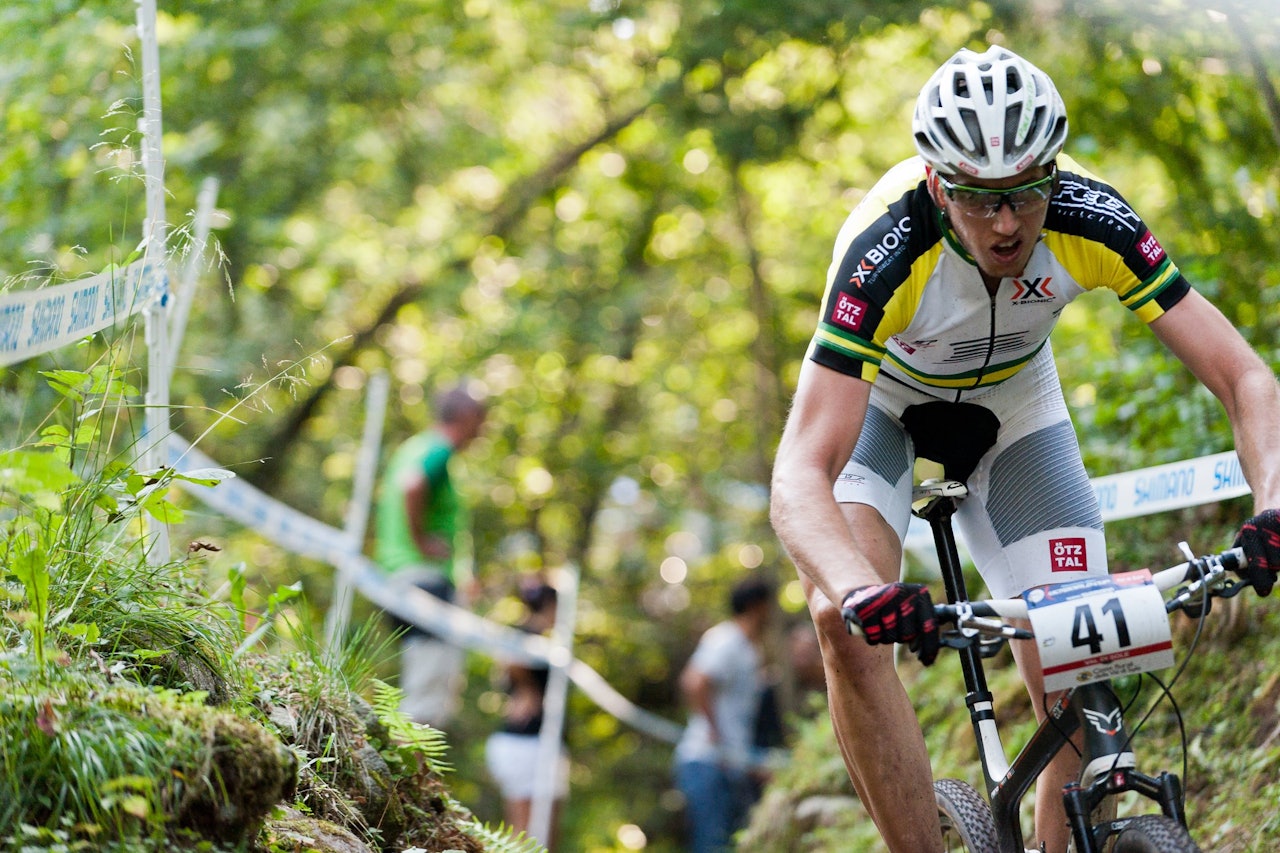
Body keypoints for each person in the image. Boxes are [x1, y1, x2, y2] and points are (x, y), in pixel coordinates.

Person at [768, 44, 1280, 853]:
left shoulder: (1090, 217)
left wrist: (1273, 504)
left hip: (1014, 404)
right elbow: (799, 472)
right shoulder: (887, 248)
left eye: (1027, 191)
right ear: (939, 184)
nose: (1007, 222)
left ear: (1054, 173)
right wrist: (862, 590)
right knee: (844, 622)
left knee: (1079, 654)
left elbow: (1243, 376)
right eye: (980, 198)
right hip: (882, 405)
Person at [374, 382, 488, 728]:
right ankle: (409, 760)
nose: (483, 429)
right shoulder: (439, 449)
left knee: (421, 683)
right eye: (482, 419)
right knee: (428, 696)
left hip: (400, 575)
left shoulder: (414, 447)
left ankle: (405, 758)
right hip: (427, 580)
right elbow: (413, 485)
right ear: (466, 416)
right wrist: (422, 540)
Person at [674, 576, 774, 853]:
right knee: (712, 845)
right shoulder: (726, 639)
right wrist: (714, 732)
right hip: (707, 762)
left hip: (730, 765)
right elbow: (694, 682)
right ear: (757, 605)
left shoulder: (748, 647)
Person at [484, 579, 568, 849]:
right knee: (530, 830)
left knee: (527, 831)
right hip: (529, 744)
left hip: (525, 743)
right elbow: (511, 662)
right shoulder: (530, 636)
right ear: (551, 606)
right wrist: (527, 688)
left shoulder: (536, 639)